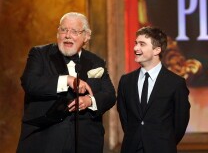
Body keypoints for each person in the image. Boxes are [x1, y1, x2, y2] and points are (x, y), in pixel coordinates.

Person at [16, 12, 116, 153]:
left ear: (86, 36)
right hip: (44, 141)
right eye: (64, 30)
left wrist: (89, 101)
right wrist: (66, 80)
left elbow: (109, 94)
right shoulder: (39, 54)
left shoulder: (96, 62)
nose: (67, 35)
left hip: (86, 143)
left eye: (74, 31)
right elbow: (29, 82)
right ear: (58, 33)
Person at [117, 26, 190, 153]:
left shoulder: (176, 83)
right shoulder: (126, 81)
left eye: (142, 44)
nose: (135, 48)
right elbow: (125, 118)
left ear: (157, 50)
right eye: (136, 43)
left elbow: (180, 122)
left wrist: (163, 142)